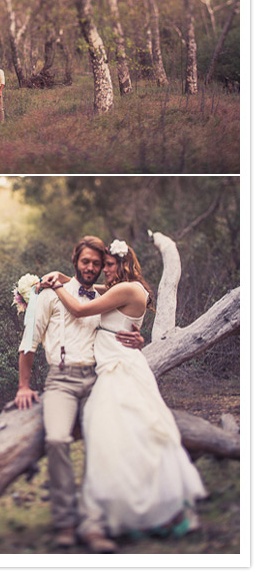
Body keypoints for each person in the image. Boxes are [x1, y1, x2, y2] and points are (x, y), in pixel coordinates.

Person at [41, 239, 207, 542]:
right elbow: (92, 289)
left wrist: (56, 287)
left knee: (113, 432)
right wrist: (63, 277)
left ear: (121, 264)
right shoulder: (128, 288)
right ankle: (121, 503)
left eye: (107, 265)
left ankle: (127, 507)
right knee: (127, 435)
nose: (102, 271)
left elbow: (79, 308)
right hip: (115, 363)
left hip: (118, 368)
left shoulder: (126, 289)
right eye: (101, 265)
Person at [15, 236, 144, 553]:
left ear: (103, 267)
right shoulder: (49, 295)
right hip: (61, 380)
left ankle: (94, 523)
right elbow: (29, 340)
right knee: (57, 440)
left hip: (98, 378)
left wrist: (138, 339)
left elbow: (122, 324)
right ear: (76, 261)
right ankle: (65, 523)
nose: (91, 267)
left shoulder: (105, 295)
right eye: (86, 261)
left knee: (103, 443)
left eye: (97, 264)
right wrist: (23, 385)